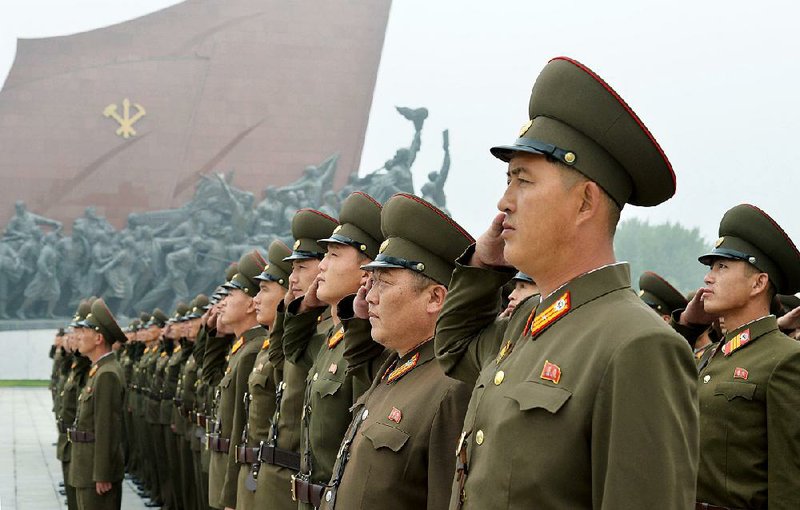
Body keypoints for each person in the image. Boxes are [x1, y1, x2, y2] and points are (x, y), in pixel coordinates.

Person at [434, 56, 699, 509]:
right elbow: (454, 349)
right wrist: (483, 264)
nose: (503, 202)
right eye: (507, 180)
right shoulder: (528, 325)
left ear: (584, 203)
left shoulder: (637, 344)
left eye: (523, 181)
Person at [321, 193, 473, 510]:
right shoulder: (396, 367)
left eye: (383, 283)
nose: (368, 298)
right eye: (370, 282)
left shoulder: (451, 388)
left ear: (435, 298)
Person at [676, 204, 800, 509]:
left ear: (758, 283)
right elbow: (650, 381)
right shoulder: (709, 357)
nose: (708, 279)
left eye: (722, 267)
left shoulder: (785, 360)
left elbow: (790, 483)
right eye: (710, 267)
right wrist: (688, 327)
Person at [287, 191, 387, 509]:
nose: (321, 268)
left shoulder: (370, 343)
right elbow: (290, 351)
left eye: (332, 256)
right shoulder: (333, 338)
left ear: (365, 270)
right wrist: (306, 306)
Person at [255, 208, 338, 510]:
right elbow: (281, 357)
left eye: (302, 267)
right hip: (282, 475)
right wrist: (289, 310)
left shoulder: (334, 332)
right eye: (291, 270)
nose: (293, 279)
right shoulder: (309, 325)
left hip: (302, 479)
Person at [208, 250, 269, 510]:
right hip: (225, 464)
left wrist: (231, 492)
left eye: (230, 295)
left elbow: (239, 427)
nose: (221, 304)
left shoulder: (252, 351)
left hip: (236, 470)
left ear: (249, 304)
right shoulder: (241, 348)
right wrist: (211, 333)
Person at [233, 240, 291, 510]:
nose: (255, 299)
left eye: (263, 290)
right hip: (256, 471)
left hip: (273, 480)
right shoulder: (262, 350)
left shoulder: (277, 350)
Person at [69, 298, 127, 510]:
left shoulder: (107, 374)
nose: (79, 336)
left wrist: (102, 473)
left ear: (98, 338)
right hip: (86, 465)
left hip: (95, 471)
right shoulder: (99, 369)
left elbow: (107, 427)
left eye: (85, 331)